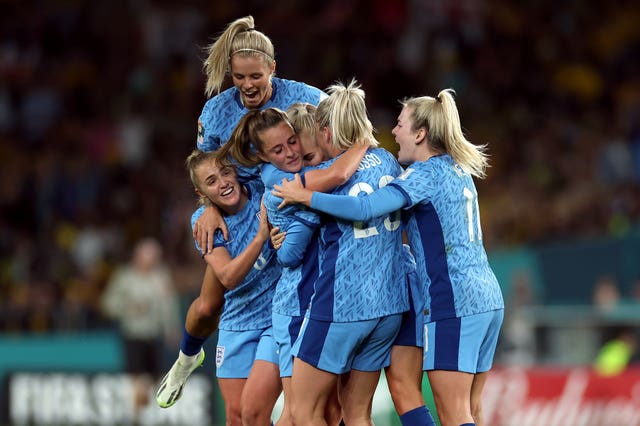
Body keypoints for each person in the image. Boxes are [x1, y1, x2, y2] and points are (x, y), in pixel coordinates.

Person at [273, 89, 505, 426]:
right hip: (485, 297)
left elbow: (364, 208)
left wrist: (306, 197)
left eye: (400, 124)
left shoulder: (421, 175)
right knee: (471, 407)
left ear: (420, 133)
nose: (393, 132)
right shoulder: (453, 167)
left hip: (450, 300)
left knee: (453, 412)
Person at [157, 15, 326, 409]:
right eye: (238, 77)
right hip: (238, 213)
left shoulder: (307, 98)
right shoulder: (215, 112)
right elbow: (205, 166)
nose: (248, 85)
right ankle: (185, 360)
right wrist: (208, 206)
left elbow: (344, 130)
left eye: (256, 76)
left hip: (289, 206)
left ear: (273, 68)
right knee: (207, 306)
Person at [217, 103, 368, 425]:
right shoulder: (282, 182)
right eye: (277, 149)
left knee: (323, 410)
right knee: (300, 412)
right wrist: (363, 141)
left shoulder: (297, 171)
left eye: (292, 142)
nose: (291, 153)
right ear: (262, 155)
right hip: (298, 305)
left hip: (325, 303)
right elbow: (289, 255)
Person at [277, 80, 409, 426]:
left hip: (341, 306)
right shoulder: (390, 162)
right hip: (389, 307)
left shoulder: (325, 179)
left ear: (325, 130)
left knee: (303, 412)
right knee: (357, 414)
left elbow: (291, 251)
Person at [185, 148, 282, 425]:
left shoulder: (262, 189)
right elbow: (227, 277)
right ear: (201, 194)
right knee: (237, 417)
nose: (223, 182)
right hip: (236, 322)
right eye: (212, 181)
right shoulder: (202, 224)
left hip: (274, 321)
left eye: (226, 172)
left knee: (255, 411)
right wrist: (261, 236)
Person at [100, 237, 180, 377]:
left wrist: (172, 327)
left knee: (156, 377)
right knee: (136, 378)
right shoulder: (125, 277)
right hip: (133, 335)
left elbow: (168, 304)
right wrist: (130, 307)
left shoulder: (161, 277)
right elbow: (108, 304)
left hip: (155, 336)